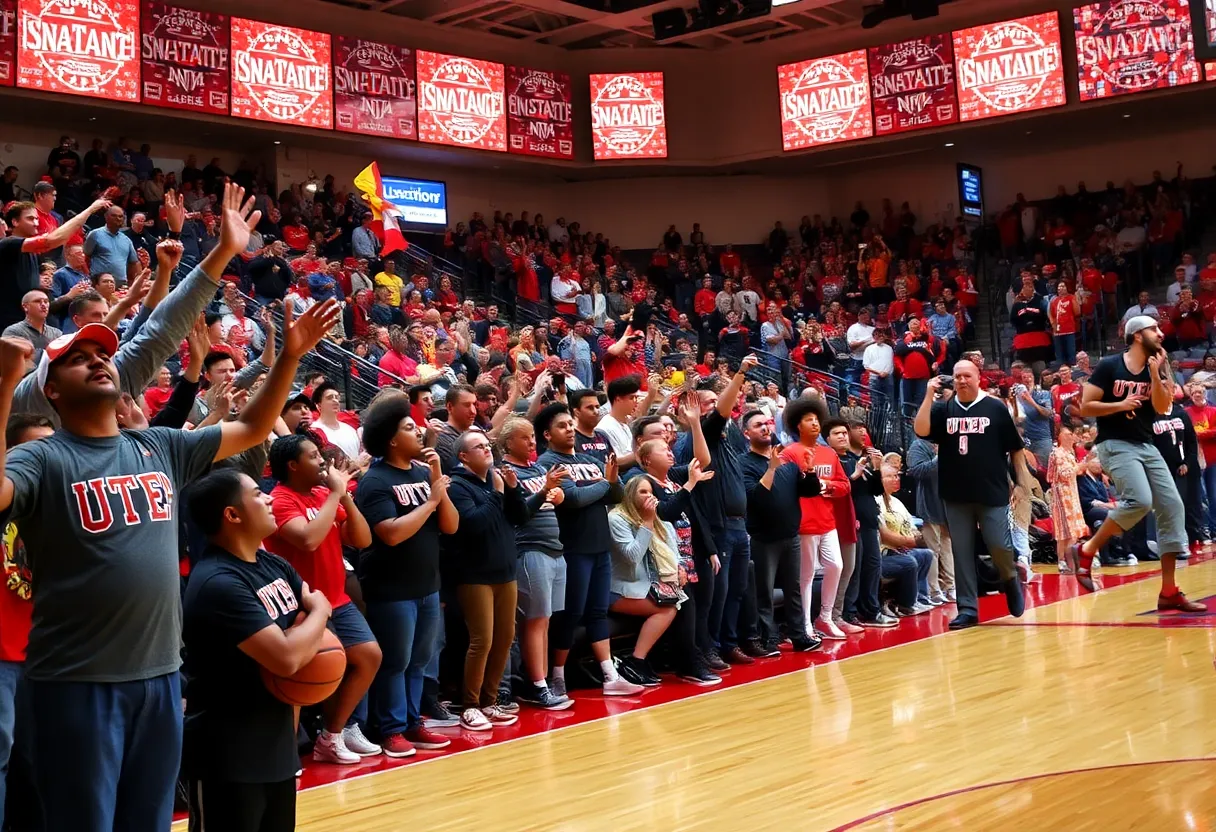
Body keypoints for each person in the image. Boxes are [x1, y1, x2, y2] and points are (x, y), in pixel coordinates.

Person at [0, 267, 339, 832]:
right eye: (77, 357)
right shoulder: (42, 458)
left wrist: (289, 358)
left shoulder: (158, 445)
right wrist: (4, 387)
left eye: (101, 352)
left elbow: (253, 427)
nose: (98, 359)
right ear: (52, 390)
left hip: (160, 678)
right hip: (77, 682)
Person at [182, 470, 332, 832]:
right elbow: (287, 656)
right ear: (232, 515)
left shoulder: (274, 564)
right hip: (227, 756)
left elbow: (310, 637)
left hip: (276, 748)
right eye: (256, 494)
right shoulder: (219, 583)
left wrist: (310, 622)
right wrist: (321, 610)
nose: (267, 498)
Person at [1068, 316, 1205, 611]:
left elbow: (1159, 407)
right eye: (1154, 329)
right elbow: (1086, 406)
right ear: (1137, 335)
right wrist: (1119, 405)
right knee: (1140, 501)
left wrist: (1157, 376)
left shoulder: (1156, 366)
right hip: (1114, 443)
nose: (1160, 333)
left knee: (1172, 506)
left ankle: (1169, 591)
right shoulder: (1109, 366)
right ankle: (1087, 548)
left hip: (1145, 443)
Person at [264, 434, 380, 764]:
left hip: (337, 598)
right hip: (300, 606)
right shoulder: (281, 499)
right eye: (314, 457)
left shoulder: (321, 494)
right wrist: (335, 496)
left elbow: (362, 538)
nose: (322, 462)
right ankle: (285, 754)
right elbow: (308, 540)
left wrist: (345, 500)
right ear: (293, 465)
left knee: (369, 656)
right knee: (298, 679)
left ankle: (333, 735)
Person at [356, 398, 459, 757]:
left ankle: (414, 723)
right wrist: (430, 502)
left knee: (419, 661)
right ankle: (391, 729)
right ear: (391, 440)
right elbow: (391, 533)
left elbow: (451, 525)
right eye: (408, 427)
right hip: (391, 588)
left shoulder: (421, 473)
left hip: (427, 585)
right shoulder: (375, 481)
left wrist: (435, 484)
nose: (419, 430)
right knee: (395, 662)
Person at [534, 404, 641, 696]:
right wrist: (604, 484)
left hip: (599, 546)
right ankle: (557, 677)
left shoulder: (588, 459)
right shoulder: (548, 463)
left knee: (597, 611)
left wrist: (611, 481)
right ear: (547, 434)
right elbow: (574, 499)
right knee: (570, 613)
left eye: (571, 424)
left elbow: (616, 495)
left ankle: (610, 676)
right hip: (572, 548)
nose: (569, 429)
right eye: (562, 426)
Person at [913, 361, 1026, 629]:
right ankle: (967, 609)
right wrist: (929, 394)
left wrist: (1021, 483)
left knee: (999, 545)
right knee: (962, 551)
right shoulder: (943, 409)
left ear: (978, 379)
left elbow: (1015, 448)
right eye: (957, 376)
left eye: (967, 375)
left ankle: (1009, 577)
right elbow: (921, 430)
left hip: (992, 489)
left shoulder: (995, 408)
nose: (962, 380)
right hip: (955, 492)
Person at [446, 431, 528, 730]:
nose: (486, 449)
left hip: (506, 573)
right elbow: (473, 525)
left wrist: (513, 489)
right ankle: (469, 705)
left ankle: (490, 701)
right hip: (474, 575)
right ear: (464, 457)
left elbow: (519, 517)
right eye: (478, 447)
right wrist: (496, 493)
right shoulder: (457, 486)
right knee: (482, 641)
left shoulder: (497, 481)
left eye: (486, 444)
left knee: (506, 638)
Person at [499, 418, 573, 710]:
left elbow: (559, 498)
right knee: (535, 620)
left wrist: (557, 492)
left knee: (546, 620)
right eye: (525, 438)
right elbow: (519, 513)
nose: (532, 442)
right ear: (507, 443)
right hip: (529, 550)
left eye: (532, 437)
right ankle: (537, 685)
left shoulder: (538, 468)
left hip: (555, 550)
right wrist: (544, 491)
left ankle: (537, 683)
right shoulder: (505, 473)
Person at [739, 410, 823, 651]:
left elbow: (809, 491)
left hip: (791, 535)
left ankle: (799, 635)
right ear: (747, 433)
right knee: (763, 592)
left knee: (793, 589)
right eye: (758, 425)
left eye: (767, 423)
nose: (766, 428)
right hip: (763, 538)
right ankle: (768, 637)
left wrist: (808, 471)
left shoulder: (787, 462)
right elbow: (755, 498)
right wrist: (771, 468)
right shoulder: (744, 463)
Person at [781, 394, 849, 640]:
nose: (815, 424)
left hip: (827, 522)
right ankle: (805, 625)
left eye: (816, 419)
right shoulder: (789, 453)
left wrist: (825, 485)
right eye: (809, 420)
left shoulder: (829, 453)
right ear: (798, 425)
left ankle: (825, 617)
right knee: (806, 576)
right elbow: (786, 487)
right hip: (804, 524)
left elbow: (844, 486)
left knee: (836, 566)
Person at [606, 476, 680, 687]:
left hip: (646, 585)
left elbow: (670, 545)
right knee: (667, 609)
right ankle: (635, 661)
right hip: (618, 589)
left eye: (650, 492)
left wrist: (679, 567)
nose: (649, 497)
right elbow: (632, 556)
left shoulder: (656, 518)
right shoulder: (617, 518)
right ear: (630, 495)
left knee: (687, 598)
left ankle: (679, 659)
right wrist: (647, 522)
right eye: (642, 492)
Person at [828, 418, 884, 633]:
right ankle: (849, 612)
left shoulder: (854, 458)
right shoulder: (837, 460)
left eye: (865, 429)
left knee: (871, 566)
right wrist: (855, 475)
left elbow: (876, 490)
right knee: (854, 569)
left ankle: (870, 610)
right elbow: (840, 491)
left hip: (869, 519)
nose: (863, 433)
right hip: (852, 521)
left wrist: (876, 467)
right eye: (857, 429)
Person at [875, 465, 935, 615]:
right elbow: (884, 535)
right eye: (891, 476)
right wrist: (911, 541)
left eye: (897, 475)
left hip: (901, 549)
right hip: (884, 553)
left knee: (926, 554)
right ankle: (904, 604)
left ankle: (920, 598)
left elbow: (912, 526)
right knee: (909, 562)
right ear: (879, 480)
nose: (896, 479)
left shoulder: (897, 502)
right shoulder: (876, 501)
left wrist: (916, 537)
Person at [1151, 394, 1205, 556]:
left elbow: (1191, 441)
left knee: (1191, 503)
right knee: (1170, 505)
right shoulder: (1150, 415)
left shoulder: (1180, 413)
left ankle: (1194, 539)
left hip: (1185, 467)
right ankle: (1172, 542)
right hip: (1162, 468)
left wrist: (1187, 463)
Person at [906, 436, 954, 604]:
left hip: (949, 502)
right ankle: (934, 590)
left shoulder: (949, 441)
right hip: (929, 502)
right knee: (933, 549)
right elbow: (917, 471)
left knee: (948, 547)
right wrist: (939, 458)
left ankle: (951, 586)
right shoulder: (918, 445)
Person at [1047, 427, 1089, 574]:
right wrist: (1080, 466)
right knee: (1063, 530)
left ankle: (1070, 561)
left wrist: (1081, 467)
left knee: (1072, 530)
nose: (1071, 437)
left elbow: (1076, 472)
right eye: (1068, 434)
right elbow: (1064, 474)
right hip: (1062, 496)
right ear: (1061, 437)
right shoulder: (1057, 453)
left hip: (1072, 493)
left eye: (1071, 434)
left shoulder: (1070, 454)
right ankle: (1062, 561)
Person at [1183, 383, 1216, 538]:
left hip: (1213, 458)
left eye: (1200, 392)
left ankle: (1214, 527)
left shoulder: (1213, 411)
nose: (1197, 394)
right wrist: (1203, 433)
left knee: (1213, 495)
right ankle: (1204, 528)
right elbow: (1186, 433)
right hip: (1195, 460)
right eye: (1194, 392)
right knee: (1200, 496)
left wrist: (1200, 433)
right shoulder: (1186, 412)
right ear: (1190, 395)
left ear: (1205, 394)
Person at [311, 381, 361, 461]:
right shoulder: (313, 431)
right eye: (330, 397)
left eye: (337, 397)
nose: (335, 400)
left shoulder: (349, 429)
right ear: (319, 405)